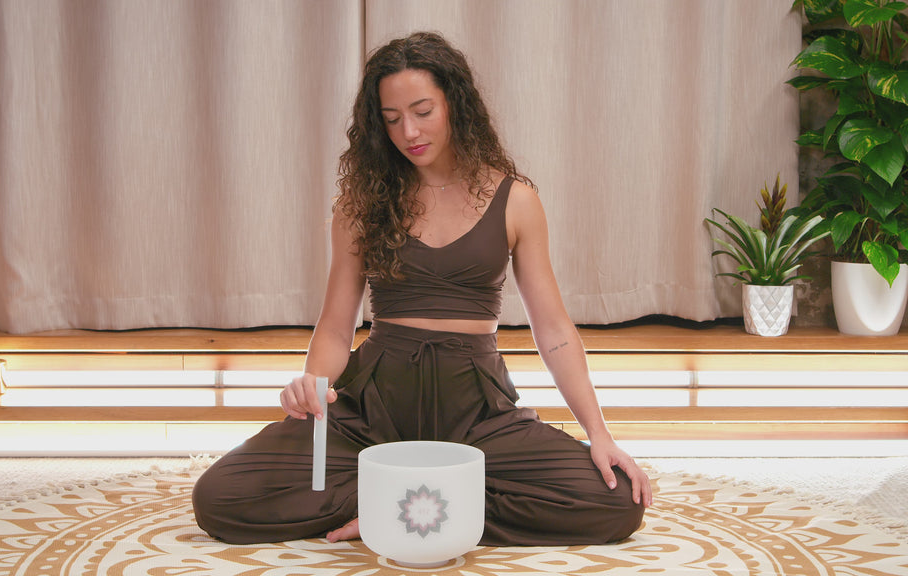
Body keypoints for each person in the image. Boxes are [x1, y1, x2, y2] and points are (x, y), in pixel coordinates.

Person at [192, 31, 652, 546]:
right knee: (220, 497)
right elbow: (336, 326)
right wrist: (312, 386)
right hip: (371, 409)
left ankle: (409, 506)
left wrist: (599, 433)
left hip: (477, 413)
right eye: (391, 119)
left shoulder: (516, 200)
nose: (408, 131)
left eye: (422, 111)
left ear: (455, 103)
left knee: (618, 502)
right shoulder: (359, 206)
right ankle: (420, 503)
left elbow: (555, 331)